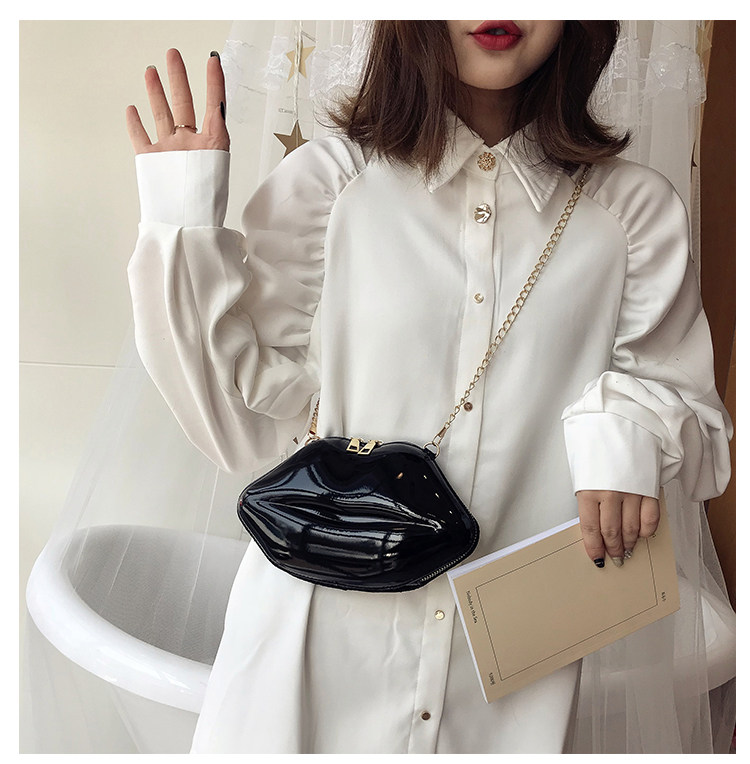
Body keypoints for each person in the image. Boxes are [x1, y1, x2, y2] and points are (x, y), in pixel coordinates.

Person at [125, 20, 732, 754]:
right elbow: (244, 431)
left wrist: (627, 429)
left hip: (513, 697)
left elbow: (698, 433)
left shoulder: (632, 216)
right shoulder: (330, 186)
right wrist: (181, 226)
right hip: (305, 674)